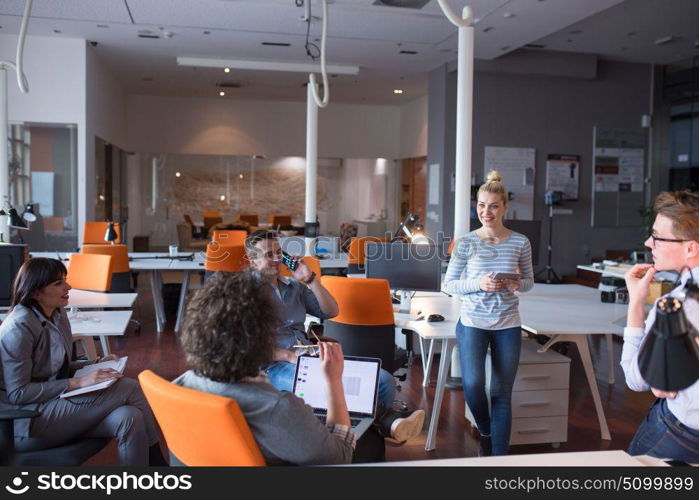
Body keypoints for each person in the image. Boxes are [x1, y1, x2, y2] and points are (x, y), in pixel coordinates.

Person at [244, 230, 425, 442]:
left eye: (278, 252)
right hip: (272, 366)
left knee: (384, 380)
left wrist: (310, 280)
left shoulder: (293, 287)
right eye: (268, 255)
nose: (276, 259)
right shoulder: (245, 292)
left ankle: (370, 439)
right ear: (252, 260)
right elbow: (243, 345)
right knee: (335, 385)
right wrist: (287, 356)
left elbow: (331, 311)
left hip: (309, 358)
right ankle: (387, 423)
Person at [174, 270, 355, 465]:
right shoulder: (280, 407)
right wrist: (334, 381)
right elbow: (339, 457)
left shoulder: (180, 386)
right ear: (265, 338)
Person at [0, 258, 165, 466]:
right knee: (128, 387)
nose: (68, 287)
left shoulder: (57, 314)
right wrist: (77, 382)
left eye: (65, 280)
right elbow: (18, 393)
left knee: (129, 417)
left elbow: (53, 369)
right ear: (36, 293)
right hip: (27, 422)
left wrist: (93, 364)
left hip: (55, 404)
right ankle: (159, 463)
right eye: (58, 283)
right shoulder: (19, 328)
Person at [443, 170, 534, 456]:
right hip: (472, 322)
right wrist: (479, 283)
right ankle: (485, 432)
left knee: (501, 394)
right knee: (472, 385)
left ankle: (498, 461)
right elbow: (449, 284)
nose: (486, 211)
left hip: (508, 324)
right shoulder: (466, 241)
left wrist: (516, 282)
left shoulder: (520, 242)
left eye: (493, 205)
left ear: (505, 207)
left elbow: (530, 282)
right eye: (481, 205)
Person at [622, 189, 699, 463]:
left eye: (656, 237)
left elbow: (635, 379)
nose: (648, 242)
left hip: (682, 433)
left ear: (691, 247)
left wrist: (635, 303)